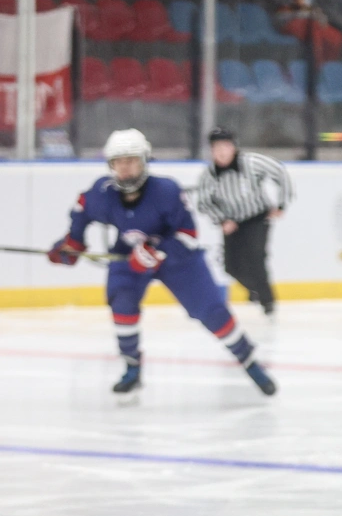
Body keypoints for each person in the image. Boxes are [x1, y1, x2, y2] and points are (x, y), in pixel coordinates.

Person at [47, 129, 276, 397]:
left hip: (177, 258)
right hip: (129, 254)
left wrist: (156, 253)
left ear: (144, 161)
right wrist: (71, 244)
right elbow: (81, 212)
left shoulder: (166, 191)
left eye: (131, 161)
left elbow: (188, 235)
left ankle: (249, 361)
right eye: (119, 162)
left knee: (211, 311)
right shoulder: (101, 192)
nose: (125, 168)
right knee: (121, 300)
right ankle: (132, 367)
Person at [195, 128, 293, 316]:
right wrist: (222, 220)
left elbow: (280, 172)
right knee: (231, 266)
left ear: (233, 147)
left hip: (257, 217)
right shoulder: (209, 175)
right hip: (231, 223)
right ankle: (255, 289)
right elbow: (204, 203)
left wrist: (281, 204)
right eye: (216, 148)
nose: (222, 152)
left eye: (225, 147)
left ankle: (267, 301)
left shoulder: (251, 163)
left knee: (256, 258)